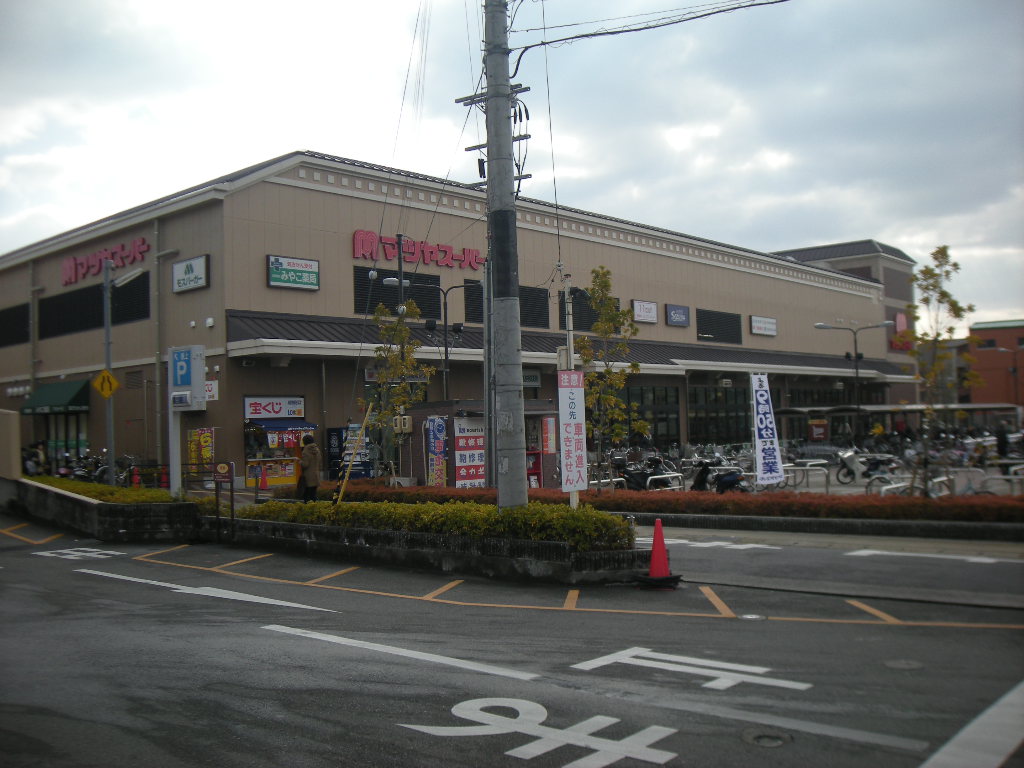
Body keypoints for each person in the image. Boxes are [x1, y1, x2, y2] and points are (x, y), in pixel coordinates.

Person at [299, 434, 322, 502]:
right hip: (316, 475)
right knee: (313, 494)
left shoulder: (305, 451)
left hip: (308, 477)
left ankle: (308, 510)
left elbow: (305, 464)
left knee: (306, 496)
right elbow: (319, 461)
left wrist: (300, 462)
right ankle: (314, 508)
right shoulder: (317, 450)